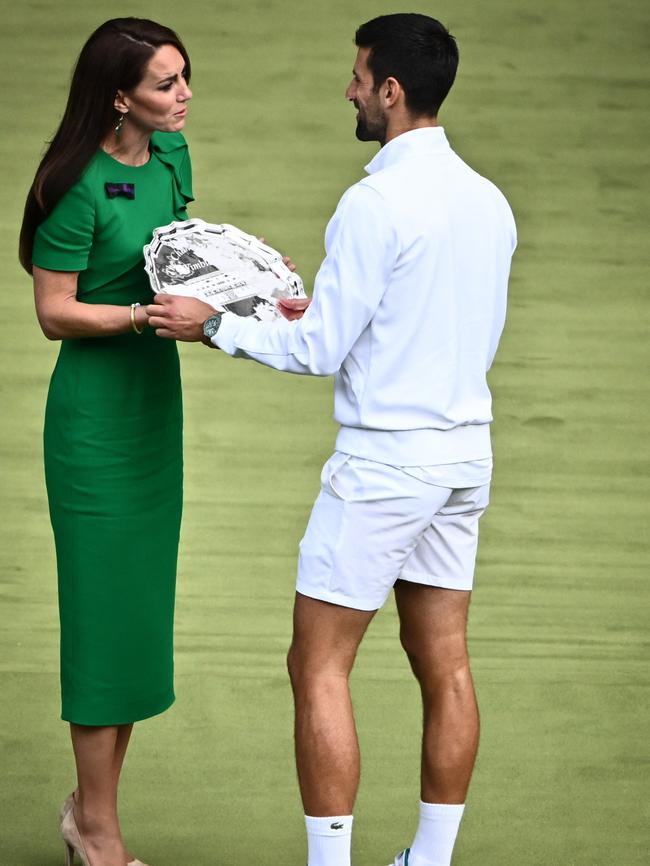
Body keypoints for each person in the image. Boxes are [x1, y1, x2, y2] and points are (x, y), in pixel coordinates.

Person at [148, 12, 516, 866]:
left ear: (391, 90)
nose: (349, 89)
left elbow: (318, 352)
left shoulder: (374, 201)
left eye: (358, 77)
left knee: (317, 666)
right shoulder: (487, 201)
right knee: (446, 664)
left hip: (384, 466)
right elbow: (426, 322)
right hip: (464, 459)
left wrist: (213, 326)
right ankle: (429, 862)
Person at [19, 18, 193, 866]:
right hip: (93, 423)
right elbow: (55, 313)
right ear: (118, 96)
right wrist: (138, 317)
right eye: (166, 84)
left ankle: (90, 812)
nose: (184, 95)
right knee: (100, 621)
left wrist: (238, 287)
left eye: (184, 78)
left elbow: (178, 258)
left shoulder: (170, 162)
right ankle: (100, 832)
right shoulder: (74, 185)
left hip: (156, 410)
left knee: (134, 620)